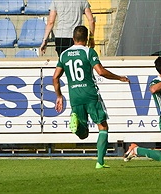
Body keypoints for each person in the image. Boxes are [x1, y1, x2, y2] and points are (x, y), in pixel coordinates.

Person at [53, 25, 130, 169]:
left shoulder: (64, 54)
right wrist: (119, 77)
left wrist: (59, 96)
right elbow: (100, 72)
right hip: (90, 95)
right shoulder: (89, 52)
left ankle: (76, 125)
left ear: (73, 38)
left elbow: (55, 77)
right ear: (87, 38)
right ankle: (100, 162)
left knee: (83, 135)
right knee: (103, 127)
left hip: (75, 97)